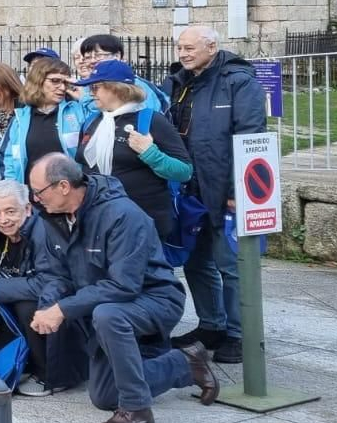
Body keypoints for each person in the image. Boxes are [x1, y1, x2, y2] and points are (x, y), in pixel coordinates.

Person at [26, 154, 218, 423]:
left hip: (155, 298)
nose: (35, 199)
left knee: (108, 314)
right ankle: (184, 364)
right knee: (104, 396)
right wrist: (50, 303)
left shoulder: (122, 215)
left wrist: (63, 310)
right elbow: (60, 275)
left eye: (38, 191)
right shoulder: (53, 219)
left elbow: (123, 286)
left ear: (63, 186)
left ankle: (137, 410)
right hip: (106, 304)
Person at [163, 26, 263, 365]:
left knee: (231, 263)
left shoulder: (238, 81)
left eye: (190, 47)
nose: (183, 53)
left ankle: (239, 333)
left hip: (224, 189)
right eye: (180, 47)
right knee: (196, 260)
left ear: (212, 46)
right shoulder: (178, 82)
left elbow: (251, 136)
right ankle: (211, 326)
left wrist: (239, 189)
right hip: (189, 190)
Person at [0, 179, 88, 398]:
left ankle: (49, 375)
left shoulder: (43, 232)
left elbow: (49, 283)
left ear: (27, 208)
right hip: (11, 309)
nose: (3, 220)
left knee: (27, 306)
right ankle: (25, 362)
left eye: (10, 211)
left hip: (61, 308)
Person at [74, 60, 191, 237]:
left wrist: (150, 153)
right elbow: (81, 167)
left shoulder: (152, 120)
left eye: (96, 87)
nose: (91, 94)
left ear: (117, 89)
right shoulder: (92, 121)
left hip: (143, 222)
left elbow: (184, 172)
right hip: (97, 219)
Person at [0, 57, 87, 183]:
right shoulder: (20, 118)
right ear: (38, 81)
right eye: (55, 81)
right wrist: (14, 189)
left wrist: (84, 98)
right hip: (30, 196)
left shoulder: (77, 110)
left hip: (70, 194)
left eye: (65, 82)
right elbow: (10, 161)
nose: (62, 88)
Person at [79, 34, 169, 114]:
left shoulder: (135, 85)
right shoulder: (85, 86)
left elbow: (148, 119)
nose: (92, 61)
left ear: (117, 56)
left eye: (98, 56)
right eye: (88, 57)